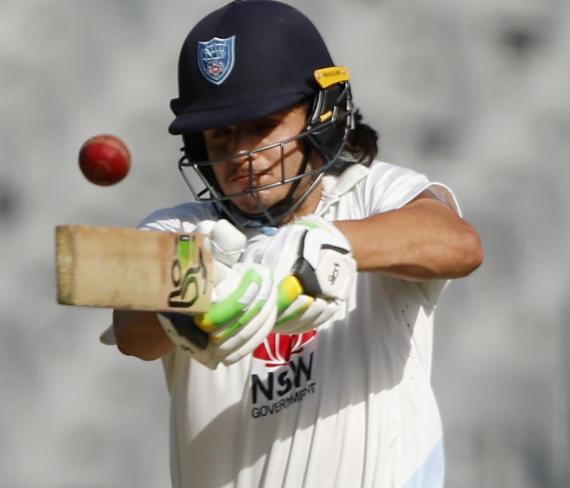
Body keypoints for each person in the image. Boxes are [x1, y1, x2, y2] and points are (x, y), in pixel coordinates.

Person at [107, 1, 483, 486]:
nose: (243, 155)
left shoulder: (369, 195)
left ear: (321, 116)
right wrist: (188, 302)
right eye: (220, 136)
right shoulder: (179, 231)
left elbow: (459, 244)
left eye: (264, 126)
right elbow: (132, 333)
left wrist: (324, 245)